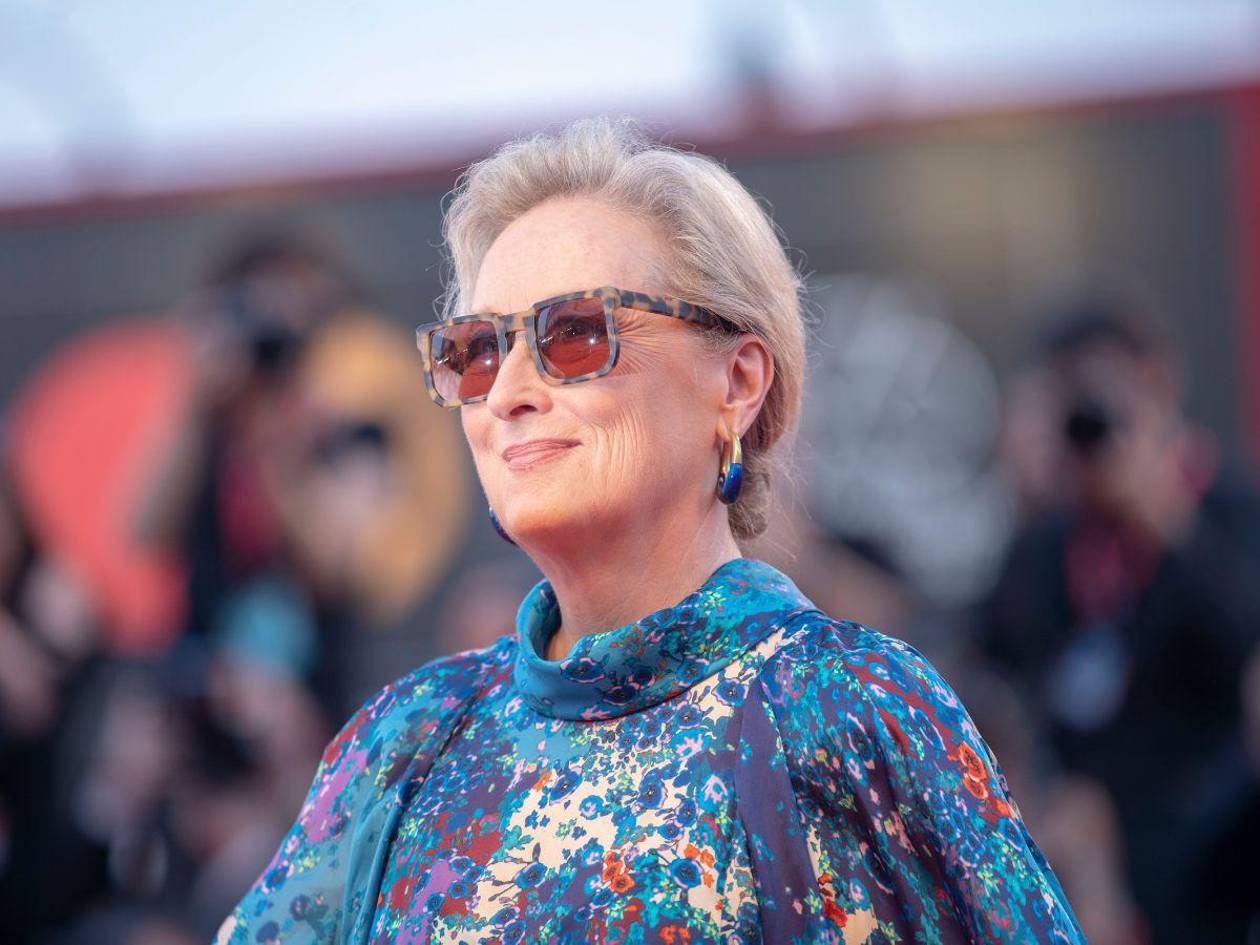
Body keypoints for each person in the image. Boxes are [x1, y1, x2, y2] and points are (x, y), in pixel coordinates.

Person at [217, 117, 1083, 944]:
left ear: (736, 384)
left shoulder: (848, 709)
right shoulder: (406, 740)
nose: (508, 390)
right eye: (478, 350)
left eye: (575, 334)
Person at [979, 299, 1260, 944]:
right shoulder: (1047, 544)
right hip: (1073, 832)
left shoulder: (1229, 511)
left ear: (1159, 388)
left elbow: (1244, 646)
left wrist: (1162, 518)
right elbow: (990, 669)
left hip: (1203, 840)